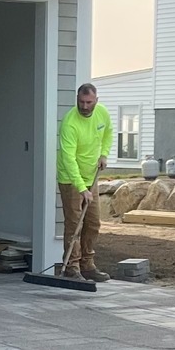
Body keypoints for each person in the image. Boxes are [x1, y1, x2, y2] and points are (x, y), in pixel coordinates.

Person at [56, 82, 111, 281]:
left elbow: (108, 133)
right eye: (81, 102)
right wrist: (81, 188)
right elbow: (68, 160)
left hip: (91, 177)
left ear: (96, 100)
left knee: (93, 223)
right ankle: (72, 267)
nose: (85, 106)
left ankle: (87, 265)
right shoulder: (70, 123)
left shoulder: (102, 113)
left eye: (89, 102)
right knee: (74, 225)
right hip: (71, 180)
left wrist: (104, 154)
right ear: (77, 100)